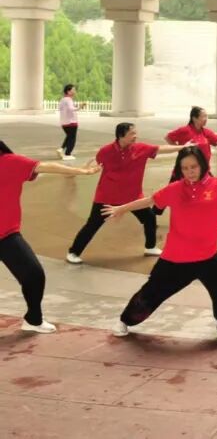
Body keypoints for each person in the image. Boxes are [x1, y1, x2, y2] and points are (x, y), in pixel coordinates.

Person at [105, 147, 217, 342]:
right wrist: (121, 209)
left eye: (193, 167)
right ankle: (124, 321)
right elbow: (150, 200)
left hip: (208, 257)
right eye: (185, 168)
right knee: (150, 294)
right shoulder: (175, 189)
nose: (190, 172)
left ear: (202, 165)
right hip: (176, 260)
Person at [1, 141, 100, 334]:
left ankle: (33, 319)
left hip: (6, 236)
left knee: (34, 275)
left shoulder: (10, 162)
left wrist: (81, 171)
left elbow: (46, 166)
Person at [66, 123, 190, 264]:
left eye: (135, 133)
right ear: (121, 136)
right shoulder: (106, 151)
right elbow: (97, 162)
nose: (135, 136)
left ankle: (150, 247)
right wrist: (86, 169)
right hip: (107, 196)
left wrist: (182, 147)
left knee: (149, 218)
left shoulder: (141, 148)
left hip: (132, 197)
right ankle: (73, 252)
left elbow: (160, 149)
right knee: (93, 225)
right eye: (132, 133)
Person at [166, 106, 217, 179]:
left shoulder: (206, 132)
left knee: (213, 185)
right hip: (186, 170)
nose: (206, 119)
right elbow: (168, 137)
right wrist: (180, 149)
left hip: (203, 169)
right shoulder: (184, 130)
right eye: (203, 116)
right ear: (194, 118)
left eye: (206, 116)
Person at [56, 84, 81, 160]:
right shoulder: (69, 99)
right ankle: (68, 154)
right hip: (71, 122)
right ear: (68, 91)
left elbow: (60, 108)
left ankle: (61, 149)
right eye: (73, 90)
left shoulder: (62, 99)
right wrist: (79, 107)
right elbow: (71, 108)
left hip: (64, 122)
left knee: (69, 137)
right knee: (72, 139)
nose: (74, 91)